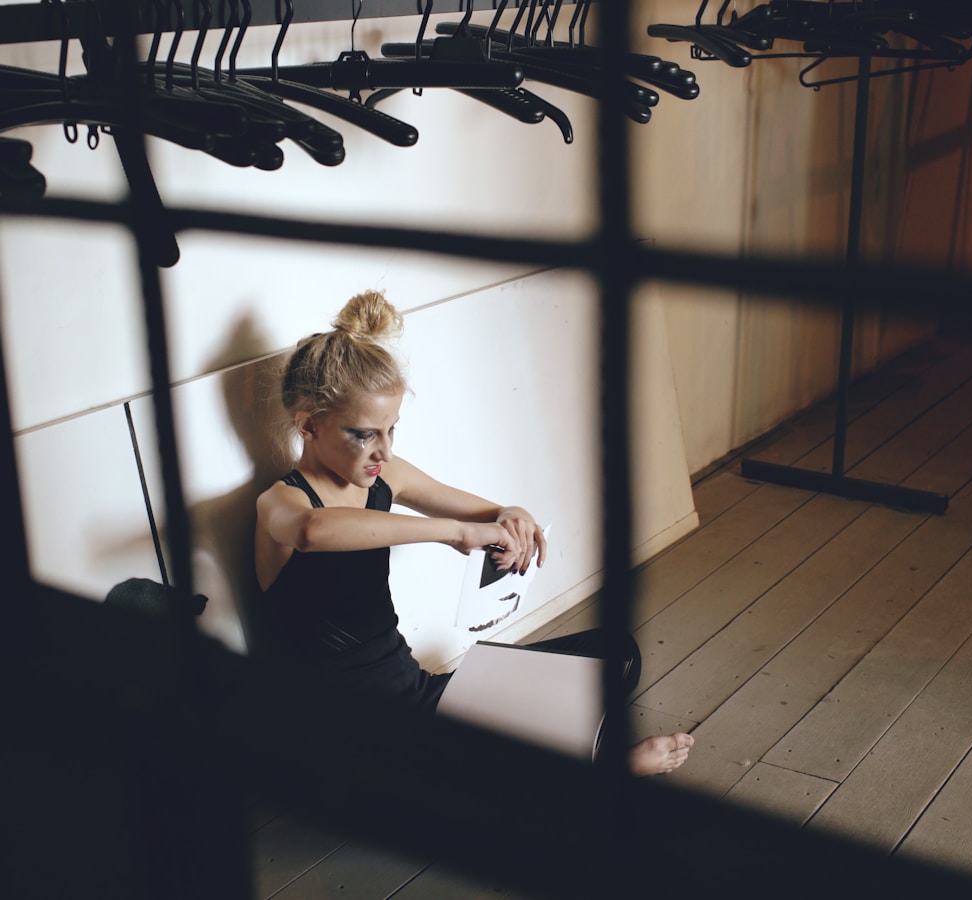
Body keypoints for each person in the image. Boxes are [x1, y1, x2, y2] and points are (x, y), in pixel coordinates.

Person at [252, 290, 692, 777]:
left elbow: (483, 510)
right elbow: (315, 531)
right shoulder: (282, 503)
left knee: (615, 653)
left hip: (421, 698)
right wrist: (452, 533)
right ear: (309, 426)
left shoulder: (381, 476)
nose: (385, 452)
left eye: (391, 430)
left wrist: (511, 512)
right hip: (350, 736)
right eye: (364, 434)